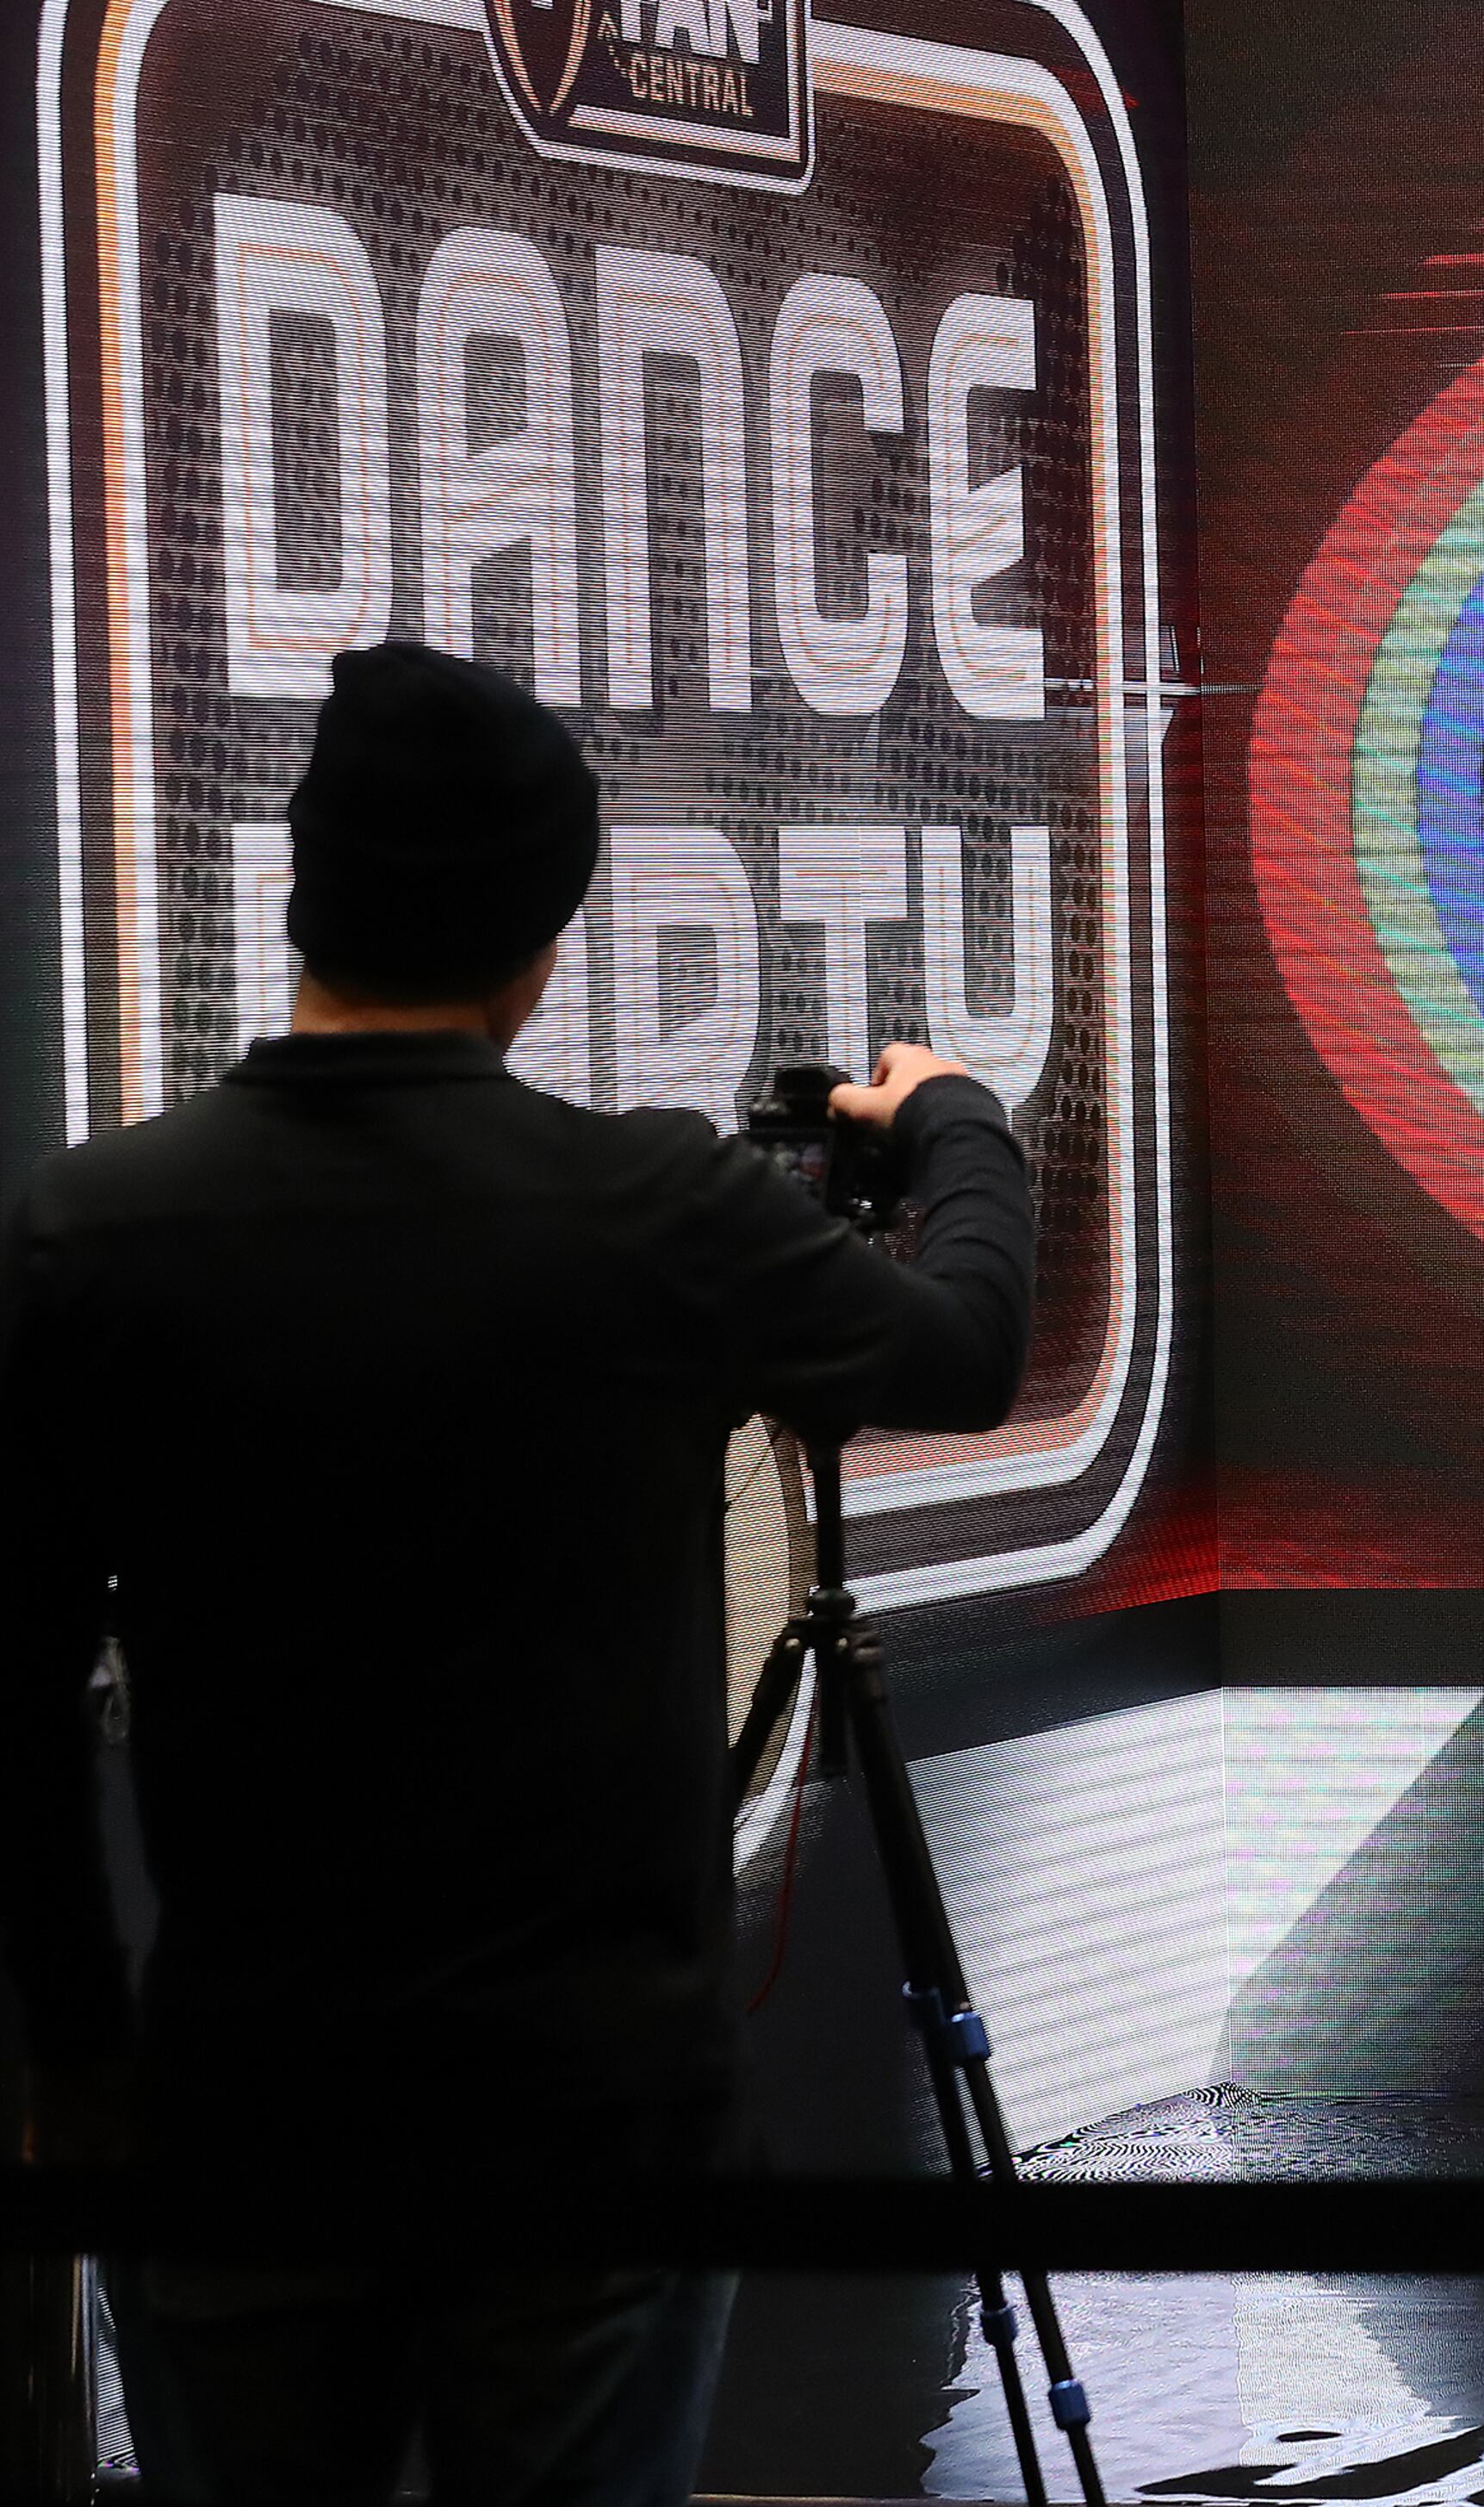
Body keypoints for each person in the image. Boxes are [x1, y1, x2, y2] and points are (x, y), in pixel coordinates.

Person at [0, 643, 1035, 2505]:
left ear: (302, 897)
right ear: (538, 940)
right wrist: (957, 1121)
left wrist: (79, 2064)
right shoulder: (659, 1218)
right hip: (591, 2122)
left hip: (244, 2109)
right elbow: (965, 1349)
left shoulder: (86, 1238)